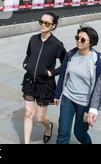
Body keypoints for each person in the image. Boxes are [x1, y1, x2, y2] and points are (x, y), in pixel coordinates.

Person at [54, 26, 101, 144]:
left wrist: (90, 109)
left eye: (82, 39)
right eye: (77, 37)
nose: (78, 41)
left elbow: (98, 86)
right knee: (63, 132)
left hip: (84, 102)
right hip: (68, 97)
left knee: (79, 133)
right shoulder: (71, 54)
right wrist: (57, 94)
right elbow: (63, 74)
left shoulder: (96, 60)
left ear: (91, 43)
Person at [22, 12, 66, 144]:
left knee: (40, 117)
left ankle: (48, 126)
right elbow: (28, 55)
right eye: (41, 22)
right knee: (28, 113)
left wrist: (51, 73)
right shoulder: (33, 39)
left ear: (53, 26)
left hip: (45, 85)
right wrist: (26, 64)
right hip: (30, 81)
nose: (43, 25)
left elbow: (65, 64)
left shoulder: (57, 44)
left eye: (47, 23)